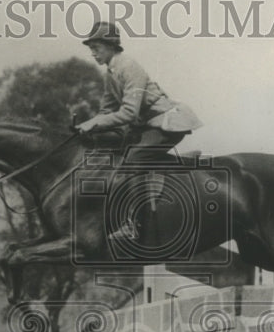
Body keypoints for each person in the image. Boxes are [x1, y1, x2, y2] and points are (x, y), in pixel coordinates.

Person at [76, 21, 203, 241]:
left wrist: (93, 124)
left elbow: (128, 114)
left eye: (96, 48)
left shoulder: (129, 67)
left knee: (133, 159)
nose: (93, 53)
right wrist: (87, 128)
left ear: (111, 45)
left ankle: (132, 223)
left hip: (168, 123)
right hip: (150, 125)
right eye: (91, 49)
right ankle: (179, 163)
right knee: (118, 155)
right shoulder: (111, 73)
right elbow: (106, 112)